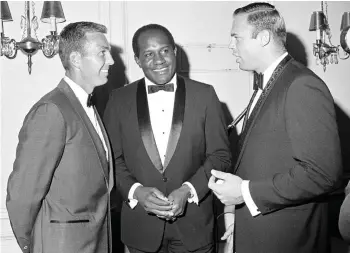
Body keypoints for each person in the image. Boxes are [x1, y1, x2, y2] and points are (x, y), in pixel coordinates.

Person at [208, 2, 342, 253]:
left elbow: (322, 174)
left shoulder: (301, 85)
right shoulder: (272, 81)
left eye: (236, 37)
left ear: (264, 38)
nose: (230, 46)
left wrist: (245, 192)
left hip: (287, 240)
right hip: (262, 230)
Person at [103, 23, 231, 253]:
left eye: (164, 50)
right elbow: (112, 161)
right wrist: (136, 192)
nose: (159, 59)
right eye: (148, 54)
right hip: (140, 231)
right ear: (137, 59)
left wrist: (188, 190)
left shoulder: (205, 95)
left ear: (175, 52)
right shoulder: (118, 100)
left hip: (195, 230)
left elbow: (220, 155)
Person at [6, 21, 115, 253]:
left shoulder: (90, 106)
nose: (111, 61)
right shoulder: (51, 110)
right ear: (76, 59)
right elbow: (22, 194)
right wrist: (32, 245)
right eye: (102, 53)